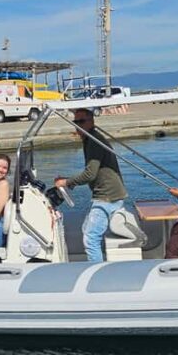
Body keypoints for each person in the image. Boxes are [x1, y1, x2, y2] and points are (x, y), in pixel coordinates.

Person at [54, 109, 127, 262]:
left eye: (82, 122)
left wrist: (66, 182)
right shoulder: (90, 138)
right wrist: (69, 180)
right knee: (87, 230)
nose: (78, 126)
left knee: (91, 239)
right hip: (109, 194)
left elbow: (90, 174)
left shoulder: (93, 141)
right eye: (76, 122)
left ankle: (97, 274)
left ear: (91, 122)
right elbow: (92, 172)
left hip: (107, 197)